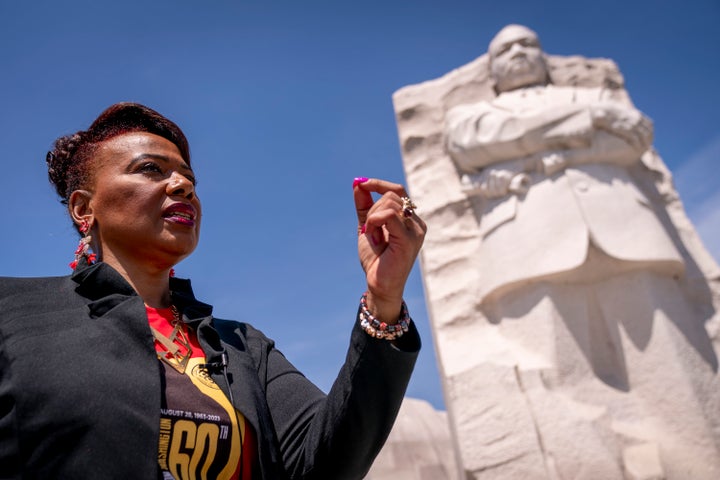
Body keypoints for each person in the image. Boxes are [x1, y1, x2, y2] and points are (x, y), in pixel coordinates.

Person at [0, 102, 426, 479]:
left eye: (189, 178)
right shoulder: (12, 313)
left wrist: (383, 300)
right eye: (150, 169)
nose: (182, 186)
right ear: (83, 208)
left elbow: (327, 461)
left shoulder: (243, 348)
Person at [441, 25, 720, 478]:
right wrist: (585, 127)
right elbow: (475, 142)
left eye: (527, 44)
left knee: (679, 378)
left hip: (630, 232)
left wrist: (529, 149)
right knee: (555, 382)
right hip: (527, 248)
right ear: (491, 70)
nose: (518, 53)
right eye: (505, 49)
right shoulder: (479, 114)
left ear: (544, 57)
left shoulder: (590, 97)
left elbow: (634, 139)